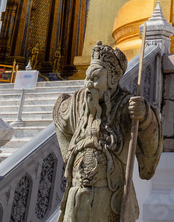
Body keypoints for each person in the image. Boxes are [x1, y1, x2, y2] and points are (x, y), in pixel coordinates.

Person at [53, 41, 161, 221]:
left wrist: (145, 117)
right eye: (87, 77)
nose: (89, 84)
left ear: (112, 79)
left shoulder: (127, 105)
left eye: (95, 78)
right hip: (76, 192)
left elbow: (150, 145)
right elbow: (58, 116)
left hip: (109, 195)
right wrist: (69, 155)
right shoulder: (79, 102)